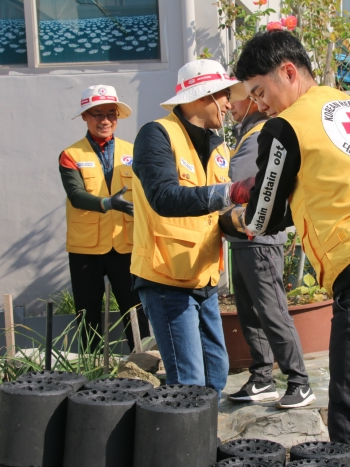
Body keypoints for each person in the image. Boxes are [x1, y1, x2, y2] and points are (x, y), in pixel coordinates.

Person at [224, 31, 350, 463]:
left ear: (288, 71)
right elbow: (327, 189)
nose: (259, 105)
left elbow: (264, 216)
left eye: (260, 92)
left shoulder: (287, 124)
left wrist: (235, 212)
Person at [131, 59, 252, 393]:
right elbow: (165, 197)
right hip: (166, 277)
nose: (230, 103)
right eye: (225, 94)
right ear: (204, 96)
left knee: (216, 374)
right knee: (189, 381)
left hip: (204, 277)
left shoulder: (218, 147)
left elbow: (216, 212)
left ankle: (201, 440)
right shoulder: (155, 135)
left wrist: (243, 220)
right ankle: (186, 446)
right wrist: (231, 192)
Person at [225, 96, 314, 408]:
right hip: (242, 240)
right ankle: (262, 379)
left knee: (272, 311)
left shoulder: (260, 133)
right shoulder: (244, 135)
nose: (227, 104)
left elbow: (252, 190)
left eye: (232, 96)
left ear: (251, 100)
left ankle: (299, 382)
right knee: (250, 313)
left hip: (258, 240)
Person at [59, 85, 151, 350]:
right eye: (97, 114)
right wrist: (108, 203)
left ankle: (142, 365)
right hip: (85, 248)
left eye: (111, 114)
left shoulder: (134, 152)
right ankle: (92, 366)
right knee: (87, 313)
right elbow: (76, 195)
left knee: (135, 310)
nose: (105, 120)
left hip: (127, 245)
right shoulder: (71, 155)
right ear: (85, 117)